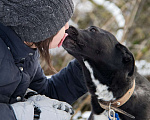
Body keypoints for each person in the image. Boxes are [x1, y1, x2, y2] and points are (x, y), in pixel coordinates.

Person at [0, 0, 87, 120]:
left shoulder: (27, 51)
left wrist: (86, 66)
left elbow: (46, 93)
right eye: (62, 23)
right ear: (40, 27)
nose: (67, 28)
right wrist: (22, 115)